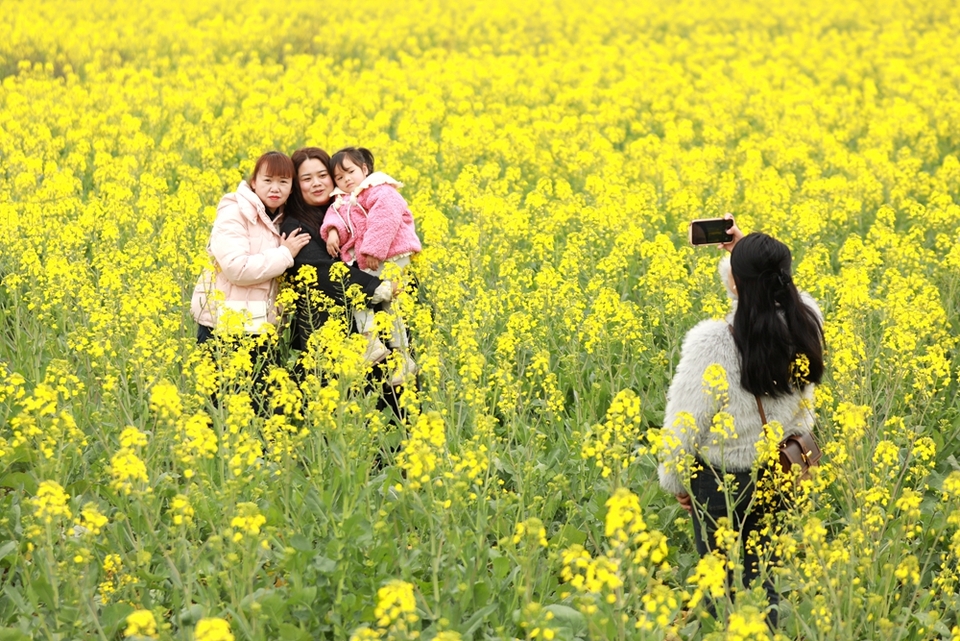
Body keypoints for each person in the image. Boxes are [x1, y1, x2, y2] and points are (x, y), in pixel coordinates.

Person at [657, 225, 825, 627]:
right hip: (781, 472)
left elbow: (685, 423)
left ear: (734, 282)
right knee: (766, 572)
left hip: (720, 484)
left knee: (720, 583)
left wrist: (676, 480)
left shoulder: (711, 343)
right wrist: (746, 253)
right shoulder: (808, 322)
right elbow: (777, 288)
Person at [320, 147, 422, 386]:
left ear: (364, 170)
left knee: (390, 304)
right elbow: (336, 216)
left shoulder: (378, 189)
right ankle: (370, 342)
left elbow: (385, 219)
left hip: (392, 254)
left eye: (350, 172)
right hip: (371, 257)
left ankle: (403, 356)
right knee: (359, 292)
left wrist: (373, 251)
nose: (346, 179)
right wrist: (333, 232)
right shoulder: (344, 199)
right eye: (339, 177)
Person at [280, 147, 394, 355]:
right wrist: (378, 288)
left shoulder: (354, 207)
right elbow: (320, 270)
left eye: (323, 175)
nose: (317, 183)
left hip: (379, 323)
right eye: (306, 179)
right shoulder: (294, 225)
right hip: (330, 336)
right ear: (296, 186)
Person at [191, 151, 310, 343]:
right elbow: (236, 268)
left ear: (291, 188)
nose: (275, 188)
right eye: (268, 180)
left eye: (283, 182)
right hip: (224, 326)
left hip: (261, 326)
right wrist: (285, 253)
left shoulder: (284, 220)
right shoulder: (235, 213)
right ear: (254, 182)